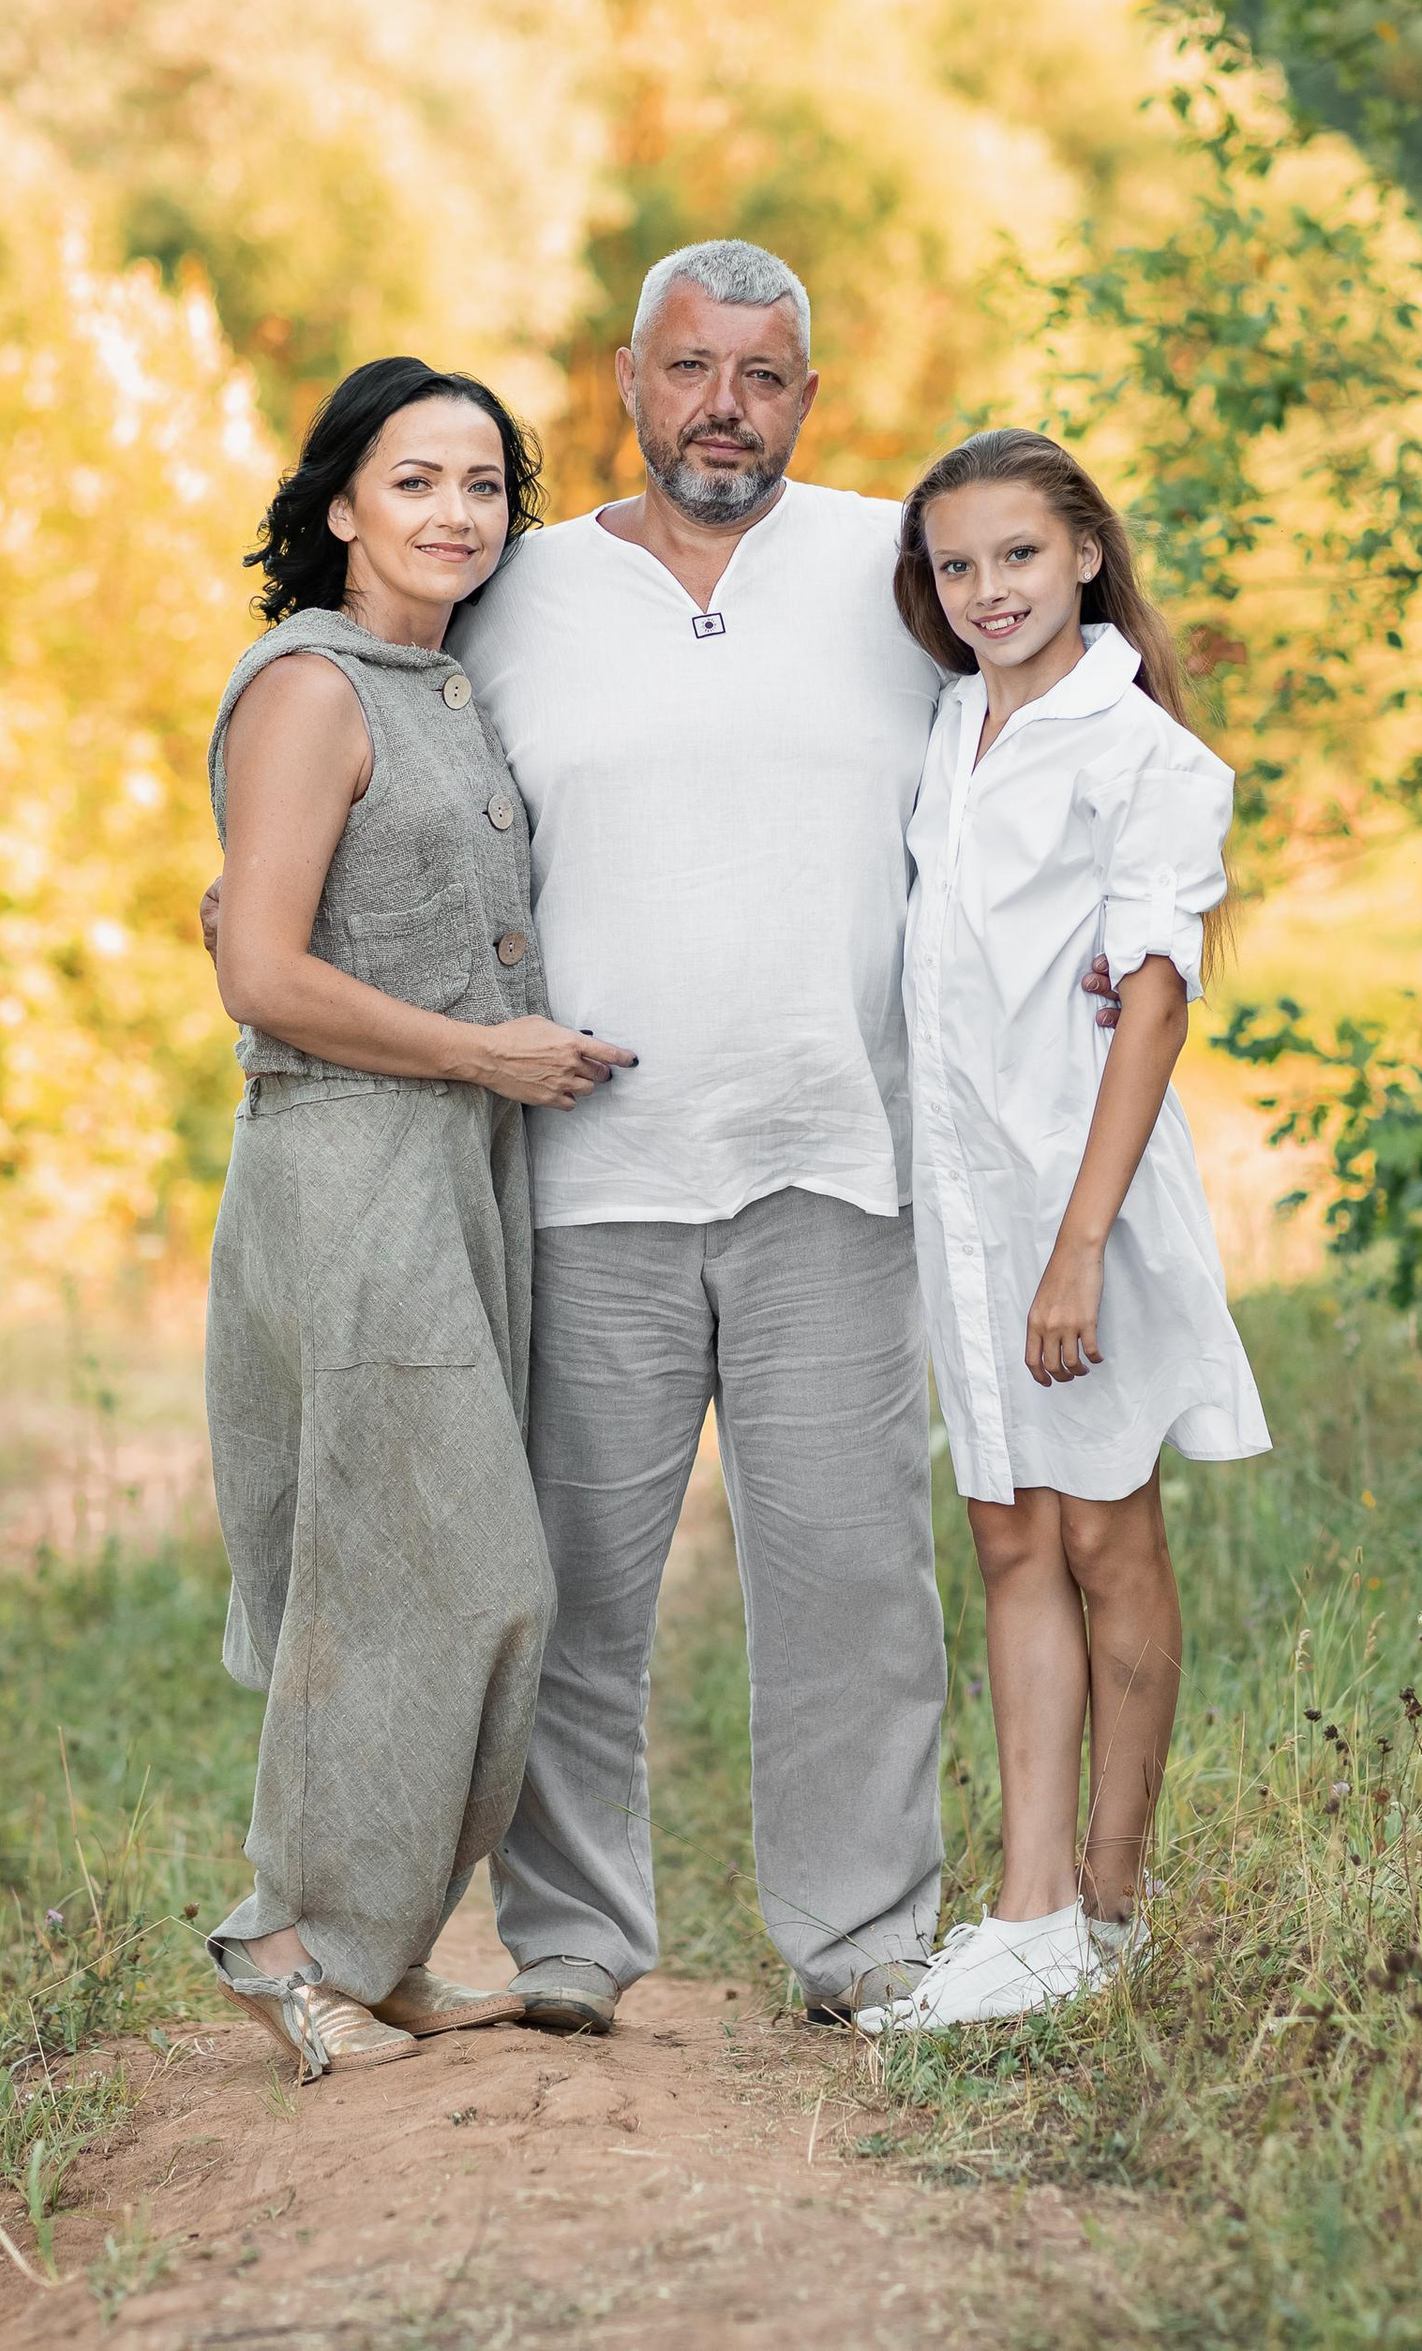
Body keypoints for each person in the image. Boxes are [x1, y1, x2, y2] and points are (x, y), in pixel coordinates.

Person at [445, 241, 958, 2033]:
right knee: (576, 1587)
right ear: (627, 378)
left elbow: (1048, 731)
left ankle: (863, 1934)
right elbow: (384, 765)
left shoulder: (902, 571)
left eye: (760, 374)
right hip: (587, 1172)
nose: (721, 407)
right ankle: (571, 1938)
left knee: (854, 1581)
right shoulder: (516, 592)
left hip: (840, 1154)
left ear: (808, 397)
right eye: (689, 367)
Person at [201, 357, 634, 2079]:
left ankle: (373, 1950)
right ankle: (290, 1942)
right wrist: (482, 1051)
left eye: (484, 485)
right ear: (339, 506)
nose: (457, 513)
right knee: (435, 1570)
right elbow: (260, 971)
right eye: (415, 480)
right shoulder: (312, 685)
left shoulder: (437, 683)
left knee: (429, 1569)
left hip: (461, 1163)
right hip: (356, 1164)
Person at [861, 428, 1270, 2034]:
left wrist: (1081, 1243)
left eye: (1019, 555)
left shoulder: (1143, 755)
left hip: (1079, 1199)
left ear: (1086, 554)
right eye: (957, 565)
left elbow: (1153, 1000)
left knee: (1106, 1532)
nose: (989, 591)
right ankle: (1025, 1914)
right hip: (965, 1201)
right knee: (1011, 1538)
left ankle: (1109, 1906)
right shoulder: (947, 726)